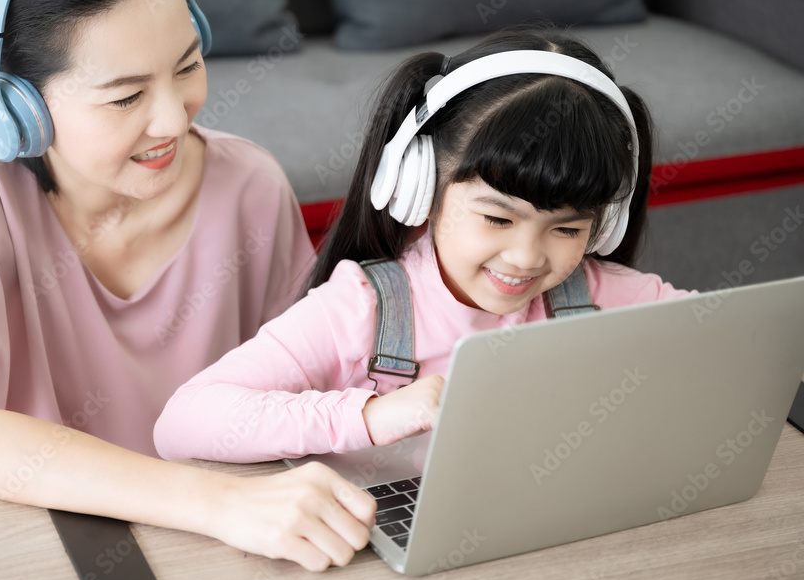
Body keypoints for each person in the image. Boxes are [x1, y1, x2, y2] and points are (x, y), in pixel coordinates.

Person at [0, 0, 377, 580]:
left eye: (187, 65)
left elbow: (301, 402)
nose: (175, 119)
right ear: (20, 104)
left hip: (194, 536)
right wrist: (215, 501)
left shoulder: (250, 186)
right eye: (126, 96)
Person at [153, 27, 691, 464]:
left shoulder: (596, 294)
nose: (528, 257)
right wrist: (367, 417)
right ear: (420, 186)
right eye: (498, 218)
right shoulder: (360, 309)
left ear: (606, 223)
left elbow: (738, 344)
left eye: (567, 230)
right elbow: (185, 421)